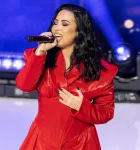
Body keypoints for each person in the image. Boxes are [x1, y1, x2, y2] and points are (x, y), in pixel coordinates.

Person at [16, 3, 118, 150]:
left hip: (80, 143)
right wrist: (40, 53)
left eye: (64, 24)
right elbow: (24, 85)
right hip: (41, 142)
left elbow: (106, 113)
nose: (57, 28)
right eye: (55, 23)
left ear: (79, 32)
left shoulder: (100, 71)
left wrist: (82, 107)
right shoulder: (39, 58)